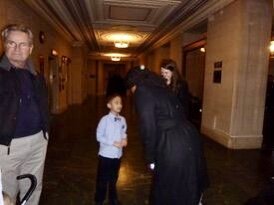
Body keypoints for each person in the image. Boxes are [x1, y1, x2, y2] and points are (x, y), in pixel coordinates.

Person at [125, 66, 208, 205]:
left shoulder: (142, 91)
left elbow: (148, 128)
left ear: (133, 84)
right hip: (189, 136)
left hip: (173, 143)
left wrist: (150, 158)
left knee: (168, 186)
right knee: (188, 180)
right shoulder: (162, 88)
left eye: (131, 89)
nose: (132, 93)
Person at [0, 24, 49, 205]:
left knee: (33, 188)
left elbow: (43, 103)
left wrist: (45, 131)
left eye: (23, 44)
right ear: (4, 44)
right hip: (7, 146)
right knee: (7, 194)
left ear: (30, 48)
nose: (17, 49)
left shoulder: (37, 75)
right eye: (12, 43)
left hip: (38, 141)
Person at [94, 94, 128, 205]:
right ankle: (99, 200)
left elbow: (124, 132)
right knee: (102, 180)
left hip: (117, 155)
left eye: (120, 103)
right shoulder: (104, 120)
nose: (119, 105)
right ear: (109, 105)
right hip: (106, 155)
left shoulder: (122, 119)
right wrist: (112, 143)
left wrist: (125, 139)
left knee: (114, 179)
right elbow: (99, 136)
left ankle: (113, 199)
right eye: (116, 102)